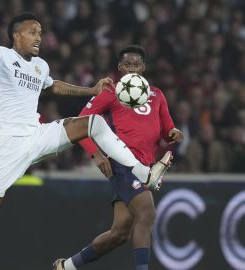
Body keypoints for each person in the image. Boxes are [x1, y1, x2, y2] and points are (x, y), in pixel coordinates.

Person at [0, 6, 172, 269]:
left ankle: (143, 172)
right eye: (32, 32)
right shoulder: (1, 56)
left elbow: (54, 86)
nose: (39, 37)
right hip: (7, 144)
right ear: (16, 36)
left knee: (93, 123)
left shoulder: (39, 66)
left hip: (37, 134)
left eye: (40, 32)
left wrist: (91, 90)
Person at [52, 45, 184, 270]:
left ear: (143, 67)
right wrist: (96, 154)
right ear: (120, 67)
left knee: (120, 233)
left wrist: (174, 134)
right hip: (122, 165)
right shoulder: (110, 92)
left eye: (136, 64)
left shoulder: (156, 95)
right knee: (147, 212)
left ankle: (67, 266)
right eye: (127, 64)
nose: (132, 68)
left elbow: (166, 129)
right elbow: (79, 124)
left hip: (145, 168)